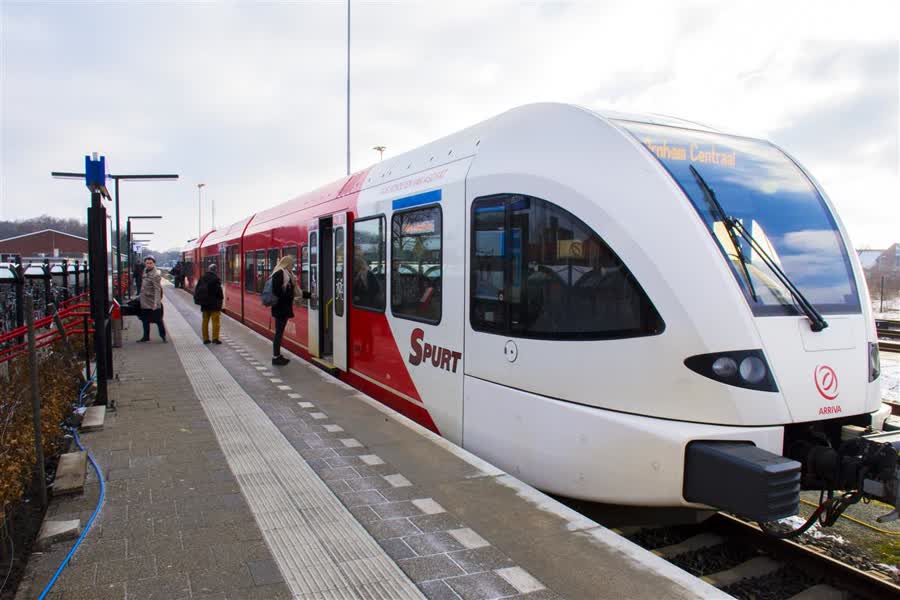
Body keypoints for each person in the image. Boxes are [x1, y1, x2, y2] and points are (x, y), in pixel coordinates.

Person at [270, 255, 296, 365]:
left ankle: (277, 355)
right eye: (291, 264)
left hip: (283, 308)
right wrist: (289, 295)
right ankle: (276, 357)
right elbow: (276, 291)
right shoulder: (279, 274)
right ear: (287, 264)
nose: (293, 266)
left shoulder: (286, 274)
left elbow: (292, 290)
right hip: (280, 309)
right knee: (278, 333)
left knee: (279, 333)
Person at [138, 256, 166, 342]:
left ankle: (163, 336)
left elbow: (157, 289)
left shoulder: (155, 275)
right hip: (144, 300)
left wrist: (156, 303)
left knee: (158, 320)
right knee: (145, 320)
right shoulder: (145, 271)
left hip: (152, 301)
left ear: (154, 263)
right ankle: (146, 337)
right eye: (147, 263)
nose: (149, 265)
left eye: (150, 263)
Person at [194, 262, 223, 344]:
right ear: (215, 270)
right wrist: (220, 300)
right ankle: (215, 338)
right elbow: (219, 293)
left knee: (205, 321)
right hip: (214, 305)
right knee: (215, 322)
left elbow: (197, 289)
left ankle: (205, 339)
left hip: (205, 304)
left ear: (208, 269)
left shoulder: (202, 278)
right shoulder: (216, 279)